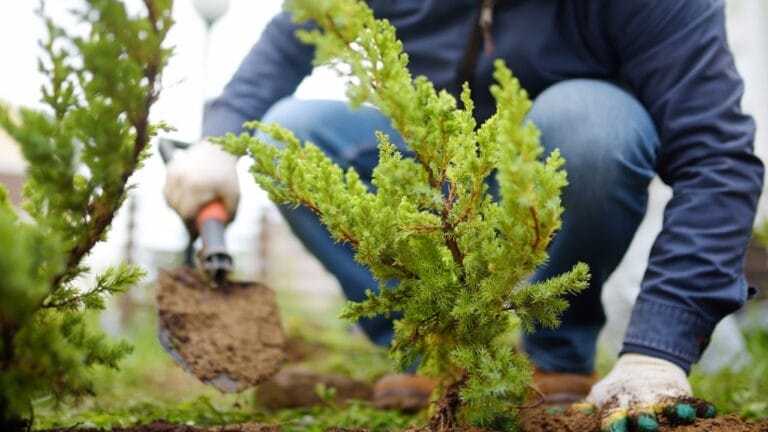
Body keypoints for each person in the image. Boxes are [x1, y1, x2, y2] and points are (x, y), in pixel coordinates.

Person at [164, 0, 764, 429]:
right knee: (280, 136)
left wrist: (659, 347)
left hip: (558, 179)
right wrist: (217, 140)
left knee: (591, 123)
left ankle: (555, 351)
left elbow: (717, 158)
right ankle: (430, 345)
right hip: (437, 179)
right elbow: (296, 28)